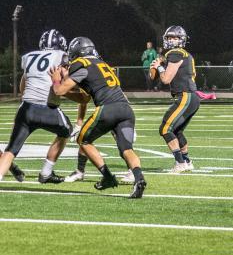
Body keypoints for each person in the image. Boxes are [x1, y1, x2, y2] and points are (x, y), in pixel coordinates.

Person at [50, 37, 146, 198]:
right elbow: (85, 97)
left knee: (83, 140)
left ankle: (107, 177)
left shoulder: (80, 64)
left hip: (108, 108)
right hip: (126, 109)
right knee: (127, 149)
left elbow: (59, 91)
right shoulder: (103, 65)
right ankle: (139, 178)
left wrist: (56, 80)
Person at [0, 29, 83, 184]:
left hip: (26, 108)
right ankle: (46, 172)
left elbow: (22, 88)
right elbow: (65, 81)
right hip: (48, 109)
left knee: (11, 150)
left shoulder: (29, 57)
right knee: (66, 131)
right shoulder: (62, 57)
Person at [150, 25, 201, 173]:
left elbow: (166, 79)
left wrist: (159, 67)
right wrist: (155, 66)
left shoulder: (176, 53)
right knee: (177, 131)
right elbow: (152, 77)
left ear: (182, 40)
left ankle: (180, 163)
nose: (172, 40)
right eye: (170, 37)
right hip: (191, 97)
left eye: (175, 38)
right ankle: (187, 161)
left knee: (165, 129)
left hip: (185, 96)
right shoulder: (181, 54)